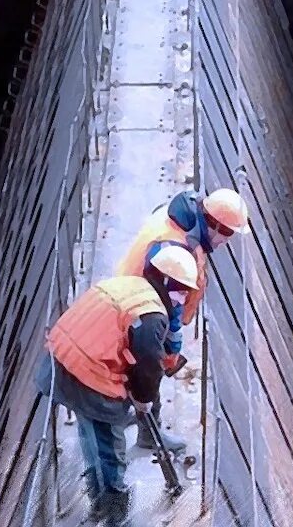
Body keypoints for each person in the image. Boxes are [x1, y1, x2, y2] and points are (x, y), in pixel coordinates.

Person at [36, 245, 199, 526]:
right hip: (90, 377)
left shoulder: (125, 284)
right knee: (111, 444)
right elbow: (148, 364)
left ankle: (97, 493)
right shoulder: (152, 315)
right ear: (167, 283)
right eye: (181, 290)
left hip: (58, 364)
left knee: (90, 430)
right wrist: (143, 399)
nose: (182, 298)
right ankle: (114, 510)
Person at [113, 187, 250, 452]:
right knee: (149, 368)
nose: (226, 241)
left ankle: (131, 411)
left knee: (135, 369)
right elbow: (172, 304)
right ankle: (148, 434)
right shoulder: (178, 249)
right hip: (140, 309)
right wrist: (172, 349)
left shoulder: (174, 220)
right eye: (228, 233)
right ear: (215, 225)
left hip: (128, 293)